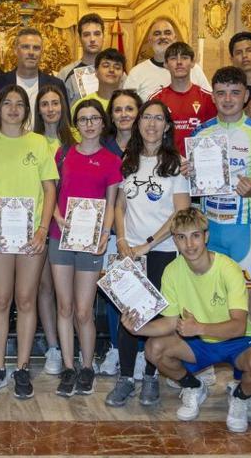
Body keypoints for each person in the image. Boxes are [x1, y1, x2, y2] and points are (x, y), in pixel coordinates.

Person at [124, 208, 251, 433]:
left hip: (236, 340)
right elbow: (170, 322)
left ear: (206, 236)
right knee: (154, 349)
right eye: (181, 237)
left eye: (195, 235)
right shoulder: (172, 271)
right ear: (174, 240)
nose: (189, 244)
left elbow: (239, 326)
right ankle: (194, 387)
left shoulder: (229, 269)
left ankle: (240, 398)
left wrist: (199, 327)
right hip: (199, 341)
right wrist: (138, 329)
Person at [105, 99, 191, 408]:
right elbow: (119, 204)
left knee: (154, 317)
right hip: (131, 251)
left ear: (167, 126)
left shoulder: (175, 164)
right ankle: (127, 378)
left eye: (158, 119)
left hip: (163, 251)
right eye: (147, 118)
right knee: (129, 316)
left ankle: (151, 378)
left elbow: (181, 213)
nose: (151, 124)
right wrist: (123, 240)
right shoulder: (128, 160)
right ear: (139, 123)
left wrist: (148, 244)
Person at [0, 85, 58, 399]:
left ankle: (22, 367)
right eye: (7, 103)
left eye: (19, 104)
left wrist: (42, 228)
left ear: (27, 110)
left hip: (30, 236)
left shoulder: (38, 143)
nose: (13, 108)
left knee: (26, 300)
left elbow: (49, 190)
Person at [50, 99, 121, 397]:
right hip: (59, 236)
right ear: (75, 124)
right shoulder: (63, 154)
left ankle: (87, 366)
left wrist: (105, 233)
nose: (89, 124)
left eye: (94, 118)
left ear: (103, 123)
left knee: (83, 310)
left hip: (92, 241)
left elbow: (113, 203)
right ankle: (68, 367)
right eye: (83, 119)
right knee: (64, 306)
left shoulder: (112, 160)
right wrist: (58, 218)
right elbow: (49, 193)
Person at [191, 66, 251, 283]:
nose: (228, 99)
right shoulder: (199, 134)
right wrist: (187, 174)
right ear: (213, 97)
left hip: (246, 231)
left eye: (235, 92)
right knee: (212, 299)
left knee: (250, 301)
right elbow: (191, 193)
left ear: (247, 95)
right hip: (208, 230)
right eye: (221, 93)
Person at [95, 89, 142, 377]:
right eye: (118, 110)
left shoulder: (149, 144)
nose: (124, 115)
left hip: (143, 234)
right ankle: (115, 348)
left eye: (130, 109)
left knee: (140, 295)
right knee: (116, 293)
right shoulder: (101, 146)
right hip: (111, 233)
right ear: (111, 115)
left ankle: (137, 353)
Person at [33, 84, 73, 374]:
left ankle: (73, 343)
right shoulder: (30, 141)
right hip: (39, 221)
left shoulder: (79, 138)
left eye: (55, 103)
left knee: (68, 291)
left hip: (72, 224)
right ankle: (53, 347)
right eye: (44, 104)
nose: (50, 109)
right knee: (45, 287)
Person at [0, 28, 67, 131]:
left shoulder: (56, 85)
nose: (31, 52)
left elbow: (65, 123)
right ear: (15, 50)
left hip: (46, 144)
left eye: (36, 48)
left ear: (42, 52)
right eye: (25, 47)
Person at [150, 42, 216, 154]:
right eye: (173, 58)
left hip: (199, 165)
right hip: (166, 164)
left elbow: (217, 132)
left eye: (184, 58)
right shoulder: (156, 99)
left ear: (193, 63)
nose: (179, 62)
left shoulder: (208, 98)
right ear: (165, 64)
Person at [123, 17, 210, 102]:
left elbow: (209, 100)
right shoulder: (137, 72)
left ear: (175, 38)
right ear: (150, 40)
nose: (163, 37)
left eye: (167, 33)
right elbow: (127, 105)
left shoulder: (193, 69)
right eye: (157, 34)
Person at [58, 13, 107, 106]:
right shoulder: (65, 74)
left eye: (97, 34)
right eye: (86, 34)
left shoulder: (116, 72)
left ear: (103, 36)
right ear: (79, 39)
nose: (92, 39)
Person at [71, 48, 125, 115]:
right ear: (96, 72)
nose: (111, 70)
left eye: (117, 67)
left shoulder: (130, 104)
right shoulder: (82, 105)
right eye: (106, 66)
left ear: (123, 74)